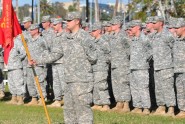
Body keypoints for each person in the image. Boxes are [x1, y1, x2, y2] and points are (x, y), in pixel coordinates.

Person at [151, 16, 176, 116]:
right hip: (157, 66)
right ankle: (161, 107)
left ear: (161, 23)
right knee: (159, 88)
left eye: (154, 22)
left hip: (167, 66)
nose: (153, 24)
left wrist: (171, 63)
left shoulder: (168, 35)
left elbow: (175, 49)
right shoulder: (155, 35)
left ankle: (171, 109)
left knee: (168, 88)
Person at [129, 20, 152, 115]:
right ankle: (137, 106)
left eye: (132, 27)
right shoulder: (133, 39)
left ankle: (146, 108)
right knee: (134, 87)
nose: (131, 29)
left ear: (138, 27)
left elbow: (151, 51)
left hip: (142, 67)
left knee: (143, 88)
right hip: (133, 66)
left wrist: (144, 60)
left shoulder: (144, 39)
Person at [109, 16, 131, 112]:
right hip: (114, 64)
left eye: (113, 24)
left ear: (118, 25)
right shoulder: (113, 36)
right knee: (116, 83)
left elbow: (130, 49)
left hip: (123, 64)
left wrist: (125, 59)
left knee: (123, 83)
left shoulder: (123, 35)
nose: (111, 26)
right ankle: (119, 102)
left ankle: (126, 104)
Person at [90, 22, 111, 111]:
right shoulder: (93, 41)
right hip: (94, 67)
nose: (92, 32)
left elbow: (109, 54)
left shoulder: (103, 42)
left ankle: (105, 104)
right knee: (95, 86)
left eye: (94, 31)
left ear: (99, 31)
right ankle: (97, 103)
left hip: (101, 67)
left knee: (102, 85)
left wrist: (104, 63)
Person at [26, 24, 47, 106]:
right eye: (30, 30)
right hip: (30, 64)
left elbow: (46, 51)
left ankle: (42, 98)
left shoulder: (42, 40)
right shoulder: (29, 40)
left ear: (37, 30)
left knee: (39, 82)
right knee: (30, 82)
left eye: (32, 30)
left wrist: (41, 61)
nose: (30, 31)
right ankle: (34, 98)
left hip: (39, 64)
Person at [172, 18, 185, 118]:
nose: (175, 30)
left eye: (177, 28)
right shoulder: (176, 40)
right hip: (178, 70)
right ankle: (182, 110)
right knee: (180, 91)